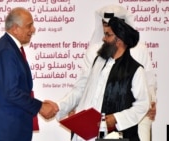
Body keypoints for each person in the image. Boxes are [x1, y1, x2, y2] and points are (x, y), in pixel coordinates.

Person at [56, 7, 150, 141]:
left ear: (119, 40)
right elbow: (86, 92)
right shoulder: (98, 61)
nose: (103, 38)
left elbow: (143, 104)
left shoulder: (135, 70)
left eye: (108, 35)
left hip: (114, 135)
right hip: (87, 133)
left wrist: (116, 118)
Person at [0, 7, 58, 141]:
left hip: (7, 129)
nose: (33, 30)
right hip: (2, 130)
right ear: (15, 29)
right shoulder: (6, 51)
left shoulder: (10, 48)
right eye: (29, 26)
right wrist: (40, 106)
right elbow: (11, 92)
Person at [85, 5, 157, 141]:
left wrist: (152, 101)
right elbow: (87, 84)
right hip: (103, 116)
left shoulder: (140, 49)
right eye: (105, 24)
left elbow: (149, 78)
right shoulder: (95, 52)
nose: (108, 28)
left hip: (138, 114)